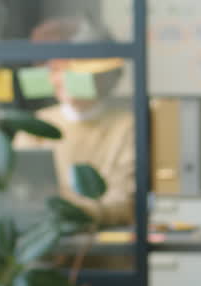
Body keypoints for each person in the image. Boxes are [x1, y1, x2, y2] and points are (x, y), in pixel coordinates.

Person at [15, 17, 135, 227]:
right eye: (56, 70)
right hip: (47, 249)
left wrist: (74, 212)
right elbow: (17, 193)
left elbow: (124, 202)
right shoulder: (38, 125)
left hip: (107, 250)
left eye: (72, 69)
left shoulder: (126, 126)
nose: (62, 78)